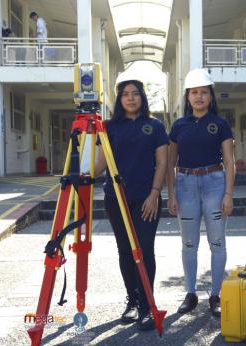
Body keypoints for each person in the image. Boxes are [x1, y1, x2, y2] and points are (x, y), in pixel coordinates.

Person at [94, 73, 168, 330]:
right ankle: (133, 301)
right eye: (125, 94)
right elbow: (100, 164)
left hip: (146, 198)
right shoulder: (109, 127)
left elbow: (162, 163)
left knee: (144, 249)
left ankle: (148, 305)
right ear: (119, 99)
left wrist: (155, 193)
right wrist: (81, 169)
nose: (131, 98)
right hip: (117, 199)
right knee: (125, 250)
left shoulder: (155, 126)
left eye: (135, 93)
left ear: (142, 97)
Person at [166, 68, 235, 317]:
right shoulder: (178, 125)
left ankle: (216, 294)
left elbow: (230, 161)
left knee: (217, 242)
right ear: (187, 97)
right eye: (194, 92)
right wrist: (171, 194)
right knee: (189, 244)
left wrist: (228, 194)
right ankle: (190, 293)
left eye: (204, 92)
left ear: (211, 96)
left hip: (215, 183)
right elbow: (170, 161)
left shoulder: (220, 124)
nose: (199, 97)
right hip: (185, 185)